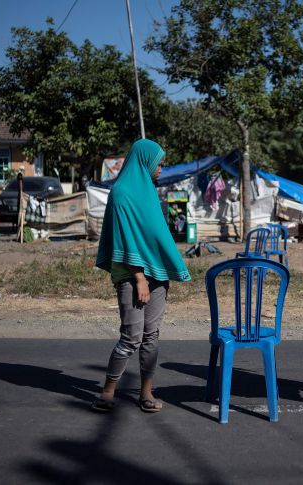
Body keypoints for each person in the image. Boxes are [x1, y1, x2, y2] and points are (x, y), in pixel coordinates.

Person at [91, 139, 191, 413]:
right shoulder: (121, 192)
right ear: (145, 160)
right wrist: (139, 278)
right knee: (131, 337)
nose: (162, 168)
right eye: (159, 162)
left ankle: (146, 393)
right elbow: (125, 238)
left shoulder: (149, 192)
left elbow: (154, 235)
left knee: (151, 336)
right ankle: (108, 391)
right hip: (132, 276)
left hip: (156, 275)